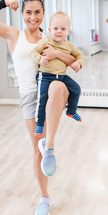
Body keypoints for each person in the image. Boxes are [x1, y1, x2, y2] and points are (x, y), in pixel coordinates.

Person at [0, 0, 76, 215]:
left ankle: (49, 144)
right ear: (22, 13)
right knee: (36, 150)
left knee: (60, 88)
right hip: (29, 97)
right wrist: (2, 3)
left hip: (50, 91)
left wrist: (57, 53)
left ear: (44, 14)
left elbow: (73, 61)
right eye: (28, 12)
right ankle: (44, 197)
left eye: (38, 12)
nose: (33, 17)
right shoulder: (14, 35)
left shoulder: (52, 36)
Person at [31, 11, 84, 139]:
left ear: (68, 31)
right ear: (49, 30)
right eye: (55, 28)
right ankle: (39, 124)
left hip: (61, 76)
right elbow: (34, 52)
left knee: (76, 89)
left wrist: (78, 63)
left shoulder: (69, 45)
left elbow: (80, 55)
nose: (59, 31)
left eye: (63, 29)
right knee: (42, 100)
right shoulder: (45, 42)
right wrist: (40, 59)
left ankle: (71, 111)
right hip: (45, 76)